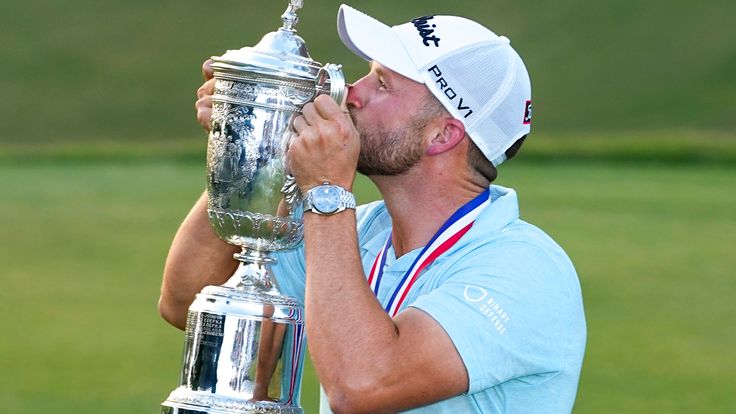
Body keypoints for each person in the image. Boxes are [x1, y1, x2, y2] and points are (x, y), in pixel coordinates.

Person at [160, 4, 586, 413]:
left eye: (381, 83)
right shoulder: (358, 231)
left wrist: (327, 188)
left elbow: (362, 385)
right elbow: (186, 302)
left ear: (442, 135)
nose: (351, 94)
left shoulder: (527, 268)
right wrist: (254, 139)